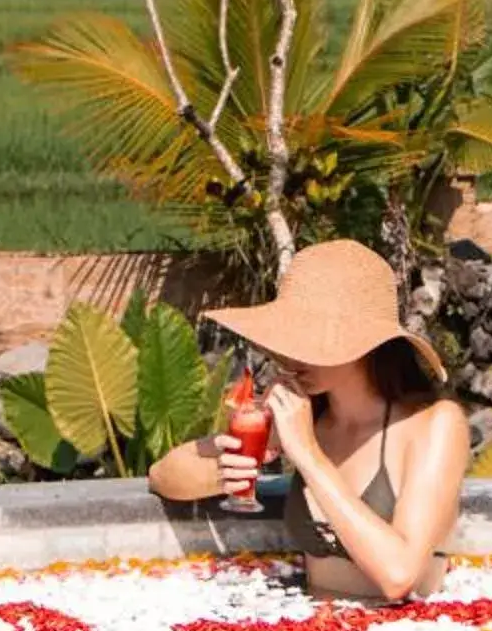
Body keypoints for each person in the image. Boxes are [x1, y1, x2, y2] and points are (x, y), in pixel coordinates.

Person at [147, 241, 468, 601]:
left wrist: (308, 454)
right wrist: (230, 465)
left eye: (311, 339)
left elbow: (398, 575)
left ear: (366, 345)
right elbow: (162, 478)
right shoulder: (303, 412)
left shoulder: (434, 424)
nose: (292, 353)